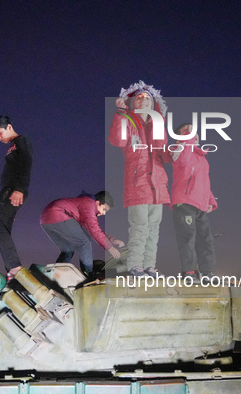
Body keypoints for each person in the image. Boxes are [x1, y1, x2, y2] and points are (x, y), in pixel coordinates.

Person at [108, 81, 171, 277]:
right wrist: (120, 113)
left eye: (147, 99)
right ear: (133, 102)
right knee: (140, 227)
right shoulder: (128, 122)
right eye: (140, 98)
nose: (144, 101)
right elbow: (117, 140)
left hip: (158, 186)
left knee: (154, 229)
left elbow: (163, 153)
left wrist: (174, 153)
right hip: (138, 185)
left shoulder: (157, 124)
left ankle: (149, 266)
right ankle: (135, 265)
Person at [0, 115, 33, 282]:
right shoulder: (13, 145)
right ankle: (12, 275)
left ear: (8, 127)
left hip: (13, 189)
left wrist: (19, 189)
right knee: (3, 229)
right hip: (10, 190)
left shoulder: (22, 141)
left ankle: (15, 267)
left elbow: (26, 163)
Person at [170, 123, 218, 280]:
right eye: (187, 130)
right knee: (187, 237)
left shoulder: (201, 157)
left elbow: (204, 181)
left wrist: (211, 200)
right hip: (184, 202)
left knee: (206, 238)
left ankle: (207, 272)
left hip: (201, 205)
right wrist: (187, 139)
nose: (192, 133)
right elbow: (183, 160)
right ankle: (188, 272)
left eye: (193, 131)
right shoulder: (178, 149)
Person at [40, 191, 124, 275]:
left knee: (68, 249)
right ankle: (88, 273)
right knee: (84, 242)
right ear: (98, 203)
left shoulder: (84, 204)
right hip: (59, 214)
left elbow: (94, 229)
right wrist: (110, 247)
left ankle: (55, 273)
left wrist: (112, 239)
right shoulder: (89, 204)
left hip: (46, 220)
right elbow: (94, 229)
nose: (103, 213)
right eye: (104, 209)